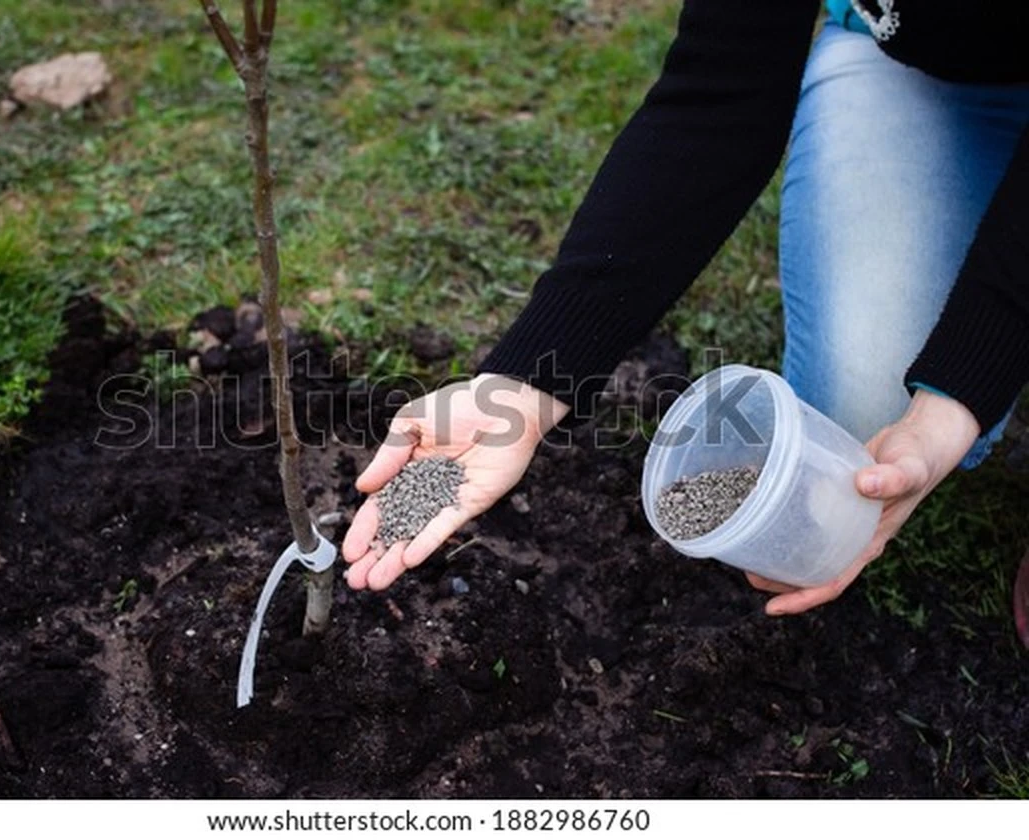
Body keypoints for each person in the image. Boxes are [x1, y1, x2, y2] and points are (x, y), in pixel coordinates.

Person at [342, 0, 1029, 617]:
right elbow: (719, 99)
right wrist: (526, 384)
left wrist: (956, 396)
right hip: (922, 70)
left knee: (930, 411)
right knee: (864, 423)